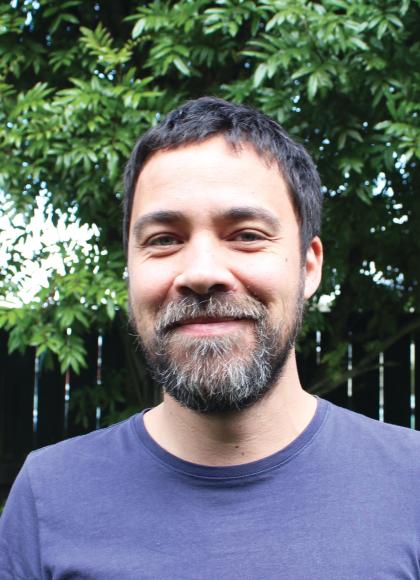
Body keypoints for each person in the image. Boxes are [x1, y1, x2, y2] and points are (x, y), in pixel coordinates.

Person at [1, 97, 419, 579]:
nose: (201, 273)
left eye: (246, 235)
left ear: (308, 267)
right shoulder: (48, 495)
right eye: (164, 239)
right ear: (130, 271)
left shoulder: (412, 483)